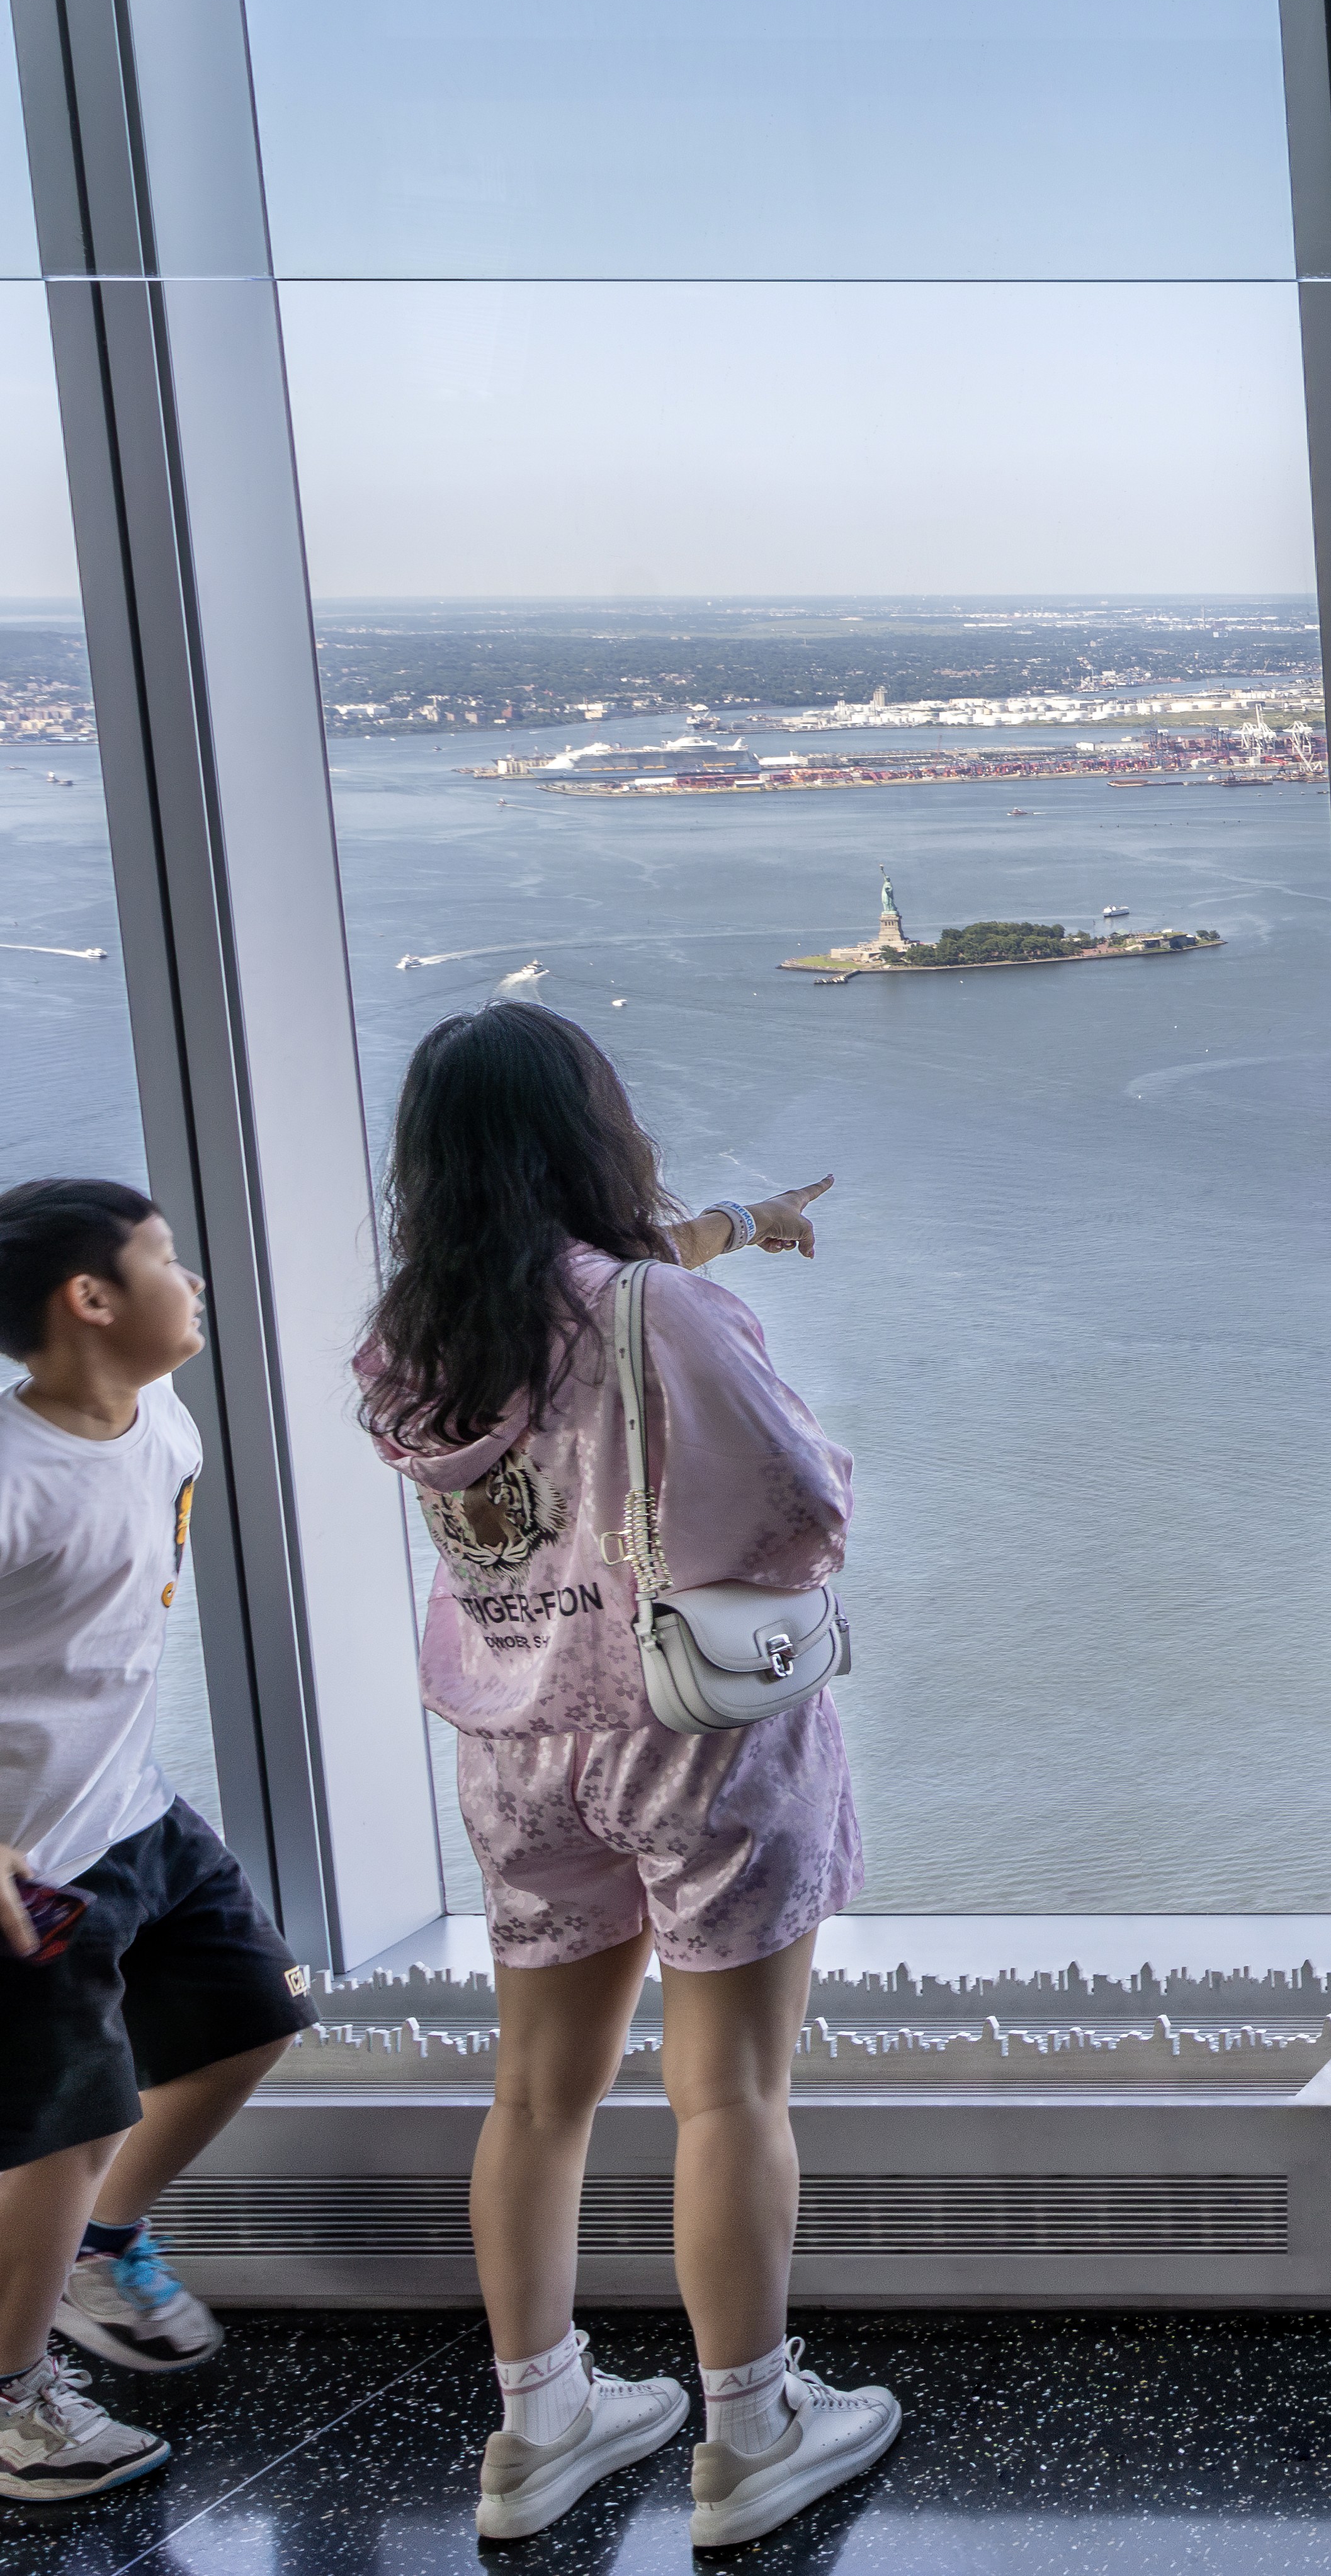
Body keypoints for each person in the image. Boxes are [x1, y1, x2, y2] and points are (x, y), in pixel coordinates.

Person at [354, 1005, 899, 2548]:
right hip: (691, 1734)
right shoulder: (664, 1311)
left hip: (518, 1742)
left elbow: (584, 1313)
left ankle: (539, 2422)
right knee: (728, 2086)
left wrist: (735, 1223)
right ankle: (748, 2430)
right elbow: (797, 1495)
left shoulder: (411, 1339)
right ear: (590, 1132)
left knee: (536, 2094)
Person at [0, 1182, 307, 2504]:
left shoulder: (161, 1415)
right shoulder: (9, 1478)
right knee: (60, 2133)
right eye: (165, 1256)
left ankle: (94, 2244)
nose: (192, 1278)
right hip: (33, 1868)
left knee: (252, 2008)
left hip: (134, 1809)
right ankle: (15, 2410)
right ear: (92, 1297)